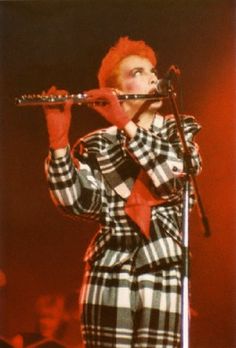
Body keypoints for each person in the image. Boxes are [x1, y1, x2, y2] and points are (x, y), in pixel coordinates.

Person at [43, 37, 202, 347]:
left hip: (163, 265)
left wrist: (126, 125)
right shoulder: (99, 143)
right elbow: (77, 203)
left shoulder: (178, 131)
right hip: (109, 267)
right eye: (138, 72)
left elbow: (173, 180)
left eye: (152, 70)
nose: (153, 77)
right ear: (116, 93)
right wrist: (59, 143)